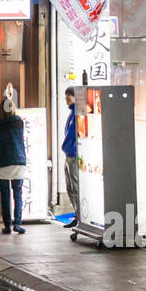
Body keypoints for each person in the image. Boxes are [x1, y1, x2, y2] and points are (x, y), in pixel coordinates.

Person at [0, 89, 28, 235]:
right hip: (18, 161)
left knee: (5, 196)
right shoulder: (19, 122)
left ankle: (7, 225)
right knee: (18, 194)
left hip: (3, 163)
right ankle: (18, 223)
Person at [61, 86, 80, 229]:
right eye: (66, 95)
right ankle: (77, 214)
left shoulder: (77, 114)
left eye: (69, 95)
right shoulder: (71, 113)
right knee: (70, 187)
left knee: (75, 186)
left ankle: (80, 216)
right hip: (68, 155)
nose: (67, 98)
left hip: (73, 155)